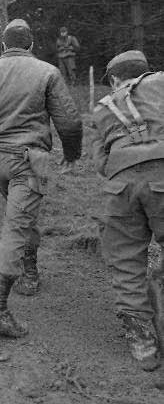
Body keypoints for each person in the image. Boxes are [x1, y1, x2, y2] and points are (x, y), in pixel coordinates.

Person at [0, 19, 82, 338]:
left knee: (21, 215)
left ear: (3, 46)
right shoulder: (47, 72)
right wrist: (73, 153)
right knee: (17, 224)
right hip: (27, 160)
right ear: (32, 44)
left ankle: (30, 272)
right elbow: (70, 122)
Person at [89, 50, 164, 371]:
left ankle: (143, 345)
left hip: (120, 187)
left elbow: (100, 163)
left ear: (115, 80)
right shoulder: (161, 83)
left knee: (126, 263)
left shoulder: (102, 109)